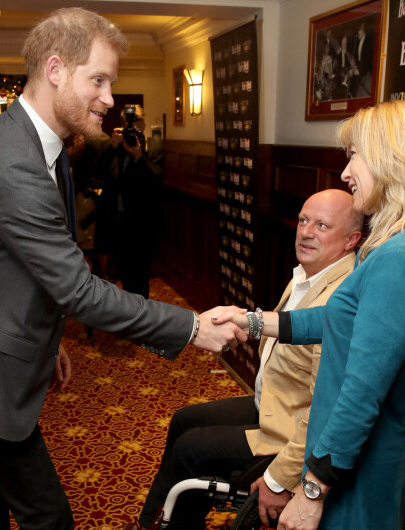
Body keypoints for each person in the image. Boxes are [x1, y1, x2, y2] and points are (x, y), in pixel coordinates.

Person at [0, 7, 246, 530]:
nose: (109, 98)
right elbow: (77, 288)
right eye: (98, 79)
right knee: (49, 517)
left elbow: (20, 273)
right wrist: (191, 326)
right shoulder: (16, 164)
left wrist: (47, 343)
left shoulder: (33, 146)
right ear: (55, 70)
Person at [213, 99, 405, 529]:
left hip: (356, 478)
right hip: (348, 465)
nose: (347, 171)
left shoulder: (400, 260)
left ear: (396, 161)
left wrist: (312, 490)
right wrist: (255, 322)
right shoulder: (400, 248)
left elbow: (361, 392)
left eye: (357, 156)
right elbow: (337, 318)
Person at [127, 189, 363, 530]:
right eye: (303, 220)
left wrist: (280, 478)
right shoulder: (310, 275)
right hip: (273, 404)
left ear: (351, 239)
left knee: (189, 448)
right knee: (183, 420)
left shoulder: (340, 297)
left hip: (291, 434)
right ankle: (157, 521)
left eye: (322, 225)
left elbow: (326, 413)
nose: (306, 231)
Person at [91, 103, 164, 298]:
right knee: (124, 277)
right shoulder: (115, 148)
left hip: (141, 227)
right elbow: (96, 174)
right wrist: (111, 147)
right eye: (128, 124)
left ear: (144, 123)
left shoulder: (153, 148)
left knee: (141, 279)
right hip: (117, 226)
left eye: (137, 123)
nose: (133, 128)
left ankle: (143, 320)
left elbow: (156, 180)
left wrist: (139, 157)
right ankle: (132, 319)